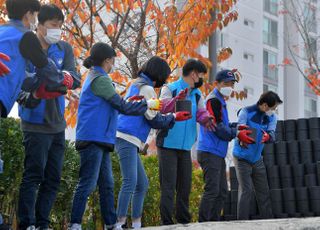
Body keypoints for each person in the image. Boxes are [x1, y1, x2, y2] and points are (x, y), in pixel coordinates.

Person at [69, 43, 162, 230]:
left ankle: (111, 224)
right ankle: (75, 224)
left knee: (107, 184)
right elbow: (122, 106)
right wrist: (148, 105)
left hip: (102, 138)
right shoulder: (99, 78)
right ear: (107, 60)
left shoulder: (99, 77)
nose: (113, 65)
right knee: (87, 183)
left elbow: (119, 104)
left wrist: (137, 103)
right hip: (93, 136)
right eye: (113, 61)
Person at [16, 4, 81, 230]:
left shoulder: (64, 49)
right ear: (40, 26)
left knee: (53, 179)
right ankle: (27, 224)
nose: (57, 30)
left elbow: (75, 76)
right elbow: (18, 88)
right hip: (34, 124)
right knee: (33, 176)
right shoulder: (25, 47)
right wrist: (35, 91)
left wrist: (65, 79)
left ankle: (42, 224)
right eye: (53, 26)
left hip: (57, 125)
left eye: (60, 26)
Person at [115, 56, 192, 229]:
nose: (164, 80)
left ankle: (136, 223)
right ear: (158, 74)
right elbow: (154, 119)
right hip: (127, 137)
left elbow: (157, 107)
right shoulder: (148, 88)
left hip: (127, 138)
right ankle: (118, 223)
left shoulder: (137, 83)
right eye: (165, 76)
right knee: (130, 182)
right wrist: (174, 116)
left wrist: (174, 102)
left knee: (141, 184)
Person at [156, 59, 215, 225]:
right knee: (168, 186)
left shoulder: (197, 94)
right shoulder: (170, 88)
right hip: (168, 143)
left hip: (185, 146)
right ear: (194, 73)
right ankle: (167, 223)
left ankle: (183, 221)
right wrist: (176, 101)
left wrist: (207, 119)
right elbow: (162, 106)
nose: (201, 78)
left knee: (184, 186)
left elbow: (201, 113)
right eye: (201, 74)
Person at [196, 69, 253, 222]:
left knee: (221, 192)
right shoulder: (213, 100)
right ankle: (202, 224)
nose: (230, 86)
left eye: (232, 83)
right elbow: (218, 127)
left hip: (217, 152)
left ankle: (213, 223)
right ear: (217, 84)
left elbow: (224, 124)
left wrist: (237, 128)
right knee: (212, 190)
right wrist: (236, 133)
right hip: (209, 151)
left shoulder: (220, 101)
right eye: (226, 83)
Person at [0, 0, 72, 119]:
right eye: (36, 16)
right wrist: (63, 79)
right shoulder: (25, 36)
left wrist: (35, 87)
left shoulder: (3, 30)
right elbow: (45, 66)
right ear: (28, 14)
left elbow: (19, 74)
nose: (36, 20)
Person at [233, 91, 283, 220]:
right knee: (246, 190)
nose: (274, 110)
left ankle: (267, 222)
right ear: (265, 105)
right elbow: (239, 128)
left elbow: (272, 133)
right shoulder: (246, 112)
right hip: (241, 158)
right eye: (273, 108)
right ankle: (241, 224)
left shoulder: (272, 117)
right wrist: (242, 136)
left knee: (263, 191)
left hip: (257, 159)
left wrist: (269, 137)